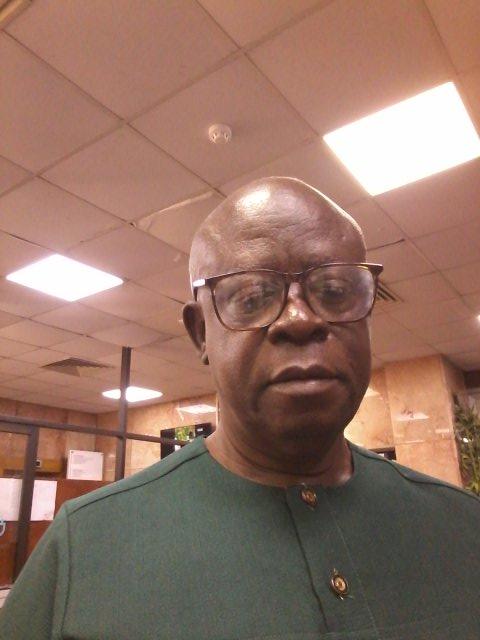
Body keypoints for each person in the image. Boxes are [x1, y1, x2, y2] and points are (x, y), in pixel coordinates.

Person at [1, 177, 479, 639]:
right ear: (200, 334)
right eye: (252, 297)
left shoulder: (463, 528)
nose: (300, 319)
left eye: (335, 291)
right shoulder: (84, 547)